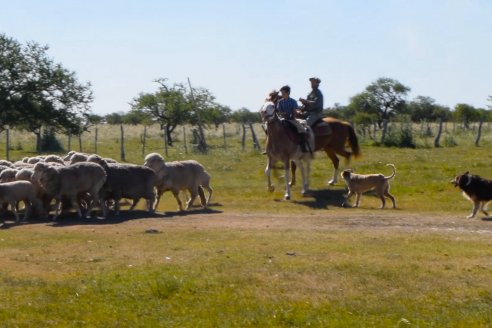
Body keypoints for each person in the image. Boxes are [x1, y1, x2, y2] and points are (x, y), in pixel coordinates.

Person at [277, 85, 310, 153]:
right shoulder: (280, 102)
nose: (282, 95)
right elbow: (279, 112)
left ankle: (303, 145)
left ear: (288, 92)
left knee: (302, 129)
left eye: (283, 93)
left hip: (291, 119)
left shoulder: (293, 101)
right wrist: (283, 114)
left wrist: (293, 114)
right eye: (281, 93)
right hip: (282, 119)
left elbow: (295, 112)